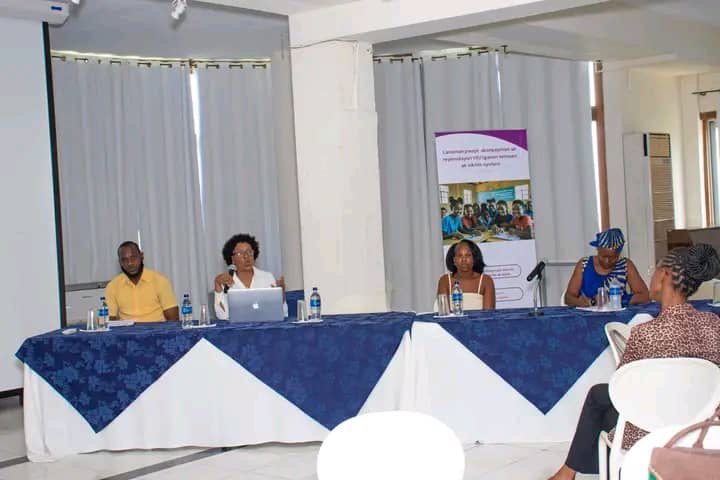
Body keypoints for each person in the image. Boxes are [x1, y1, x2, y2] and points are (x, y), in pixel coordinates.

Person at [549, 244, 720, 480]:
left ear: (665, 274)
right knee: (599, 395)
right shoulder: (713, 324)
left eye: (654, 270)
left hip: (650, 427)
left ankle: (574, 472)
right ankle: (569, 472)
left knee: (603, 400)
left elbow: (622, 391)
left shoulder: (645, 333)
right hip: (702, 424)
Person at [564, 228, 649, 307]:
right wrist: (588, 302)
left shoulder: (626, 265)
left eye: (613, 257)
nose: (607, 261)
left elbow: (644, 295)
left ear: (619, 254)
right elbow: (568, 297)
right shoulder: (584, 264)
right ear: (598, 250)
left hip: (617, 314)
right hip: (588, 315)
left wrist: (620, 301)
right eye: (603, 256)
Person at [214, 233, 285, 320]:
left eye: (249, 252)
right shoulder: (226, 280)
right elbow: (223, 316)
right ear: (232, 259)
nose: (246, 256)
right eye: (240, 253)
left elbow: (283, 314)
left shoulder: (267, 277)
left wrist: (281, 296)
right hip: (237, 328)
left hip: (264, 326)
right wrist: (217, 285)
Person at [104, 241, 179, 322]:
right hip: (127, 330)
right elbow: (109, 321)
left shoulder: (160, 281)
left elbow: (173, 319)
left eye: (133, 258)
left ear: (141, 256)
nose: (130, 263)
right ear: (120, 262)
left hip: (157, 329)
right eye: (124, 260)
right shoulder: (113, 286)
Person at [436, 240, 496, 310]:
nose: (464, 259)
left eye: (468, 255)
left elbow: (488, 314)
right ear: (454, 260)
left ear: (474, 259)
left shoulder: (486, 280)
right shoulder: (445, 281)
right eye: (459, 255)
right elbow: (444, 312)